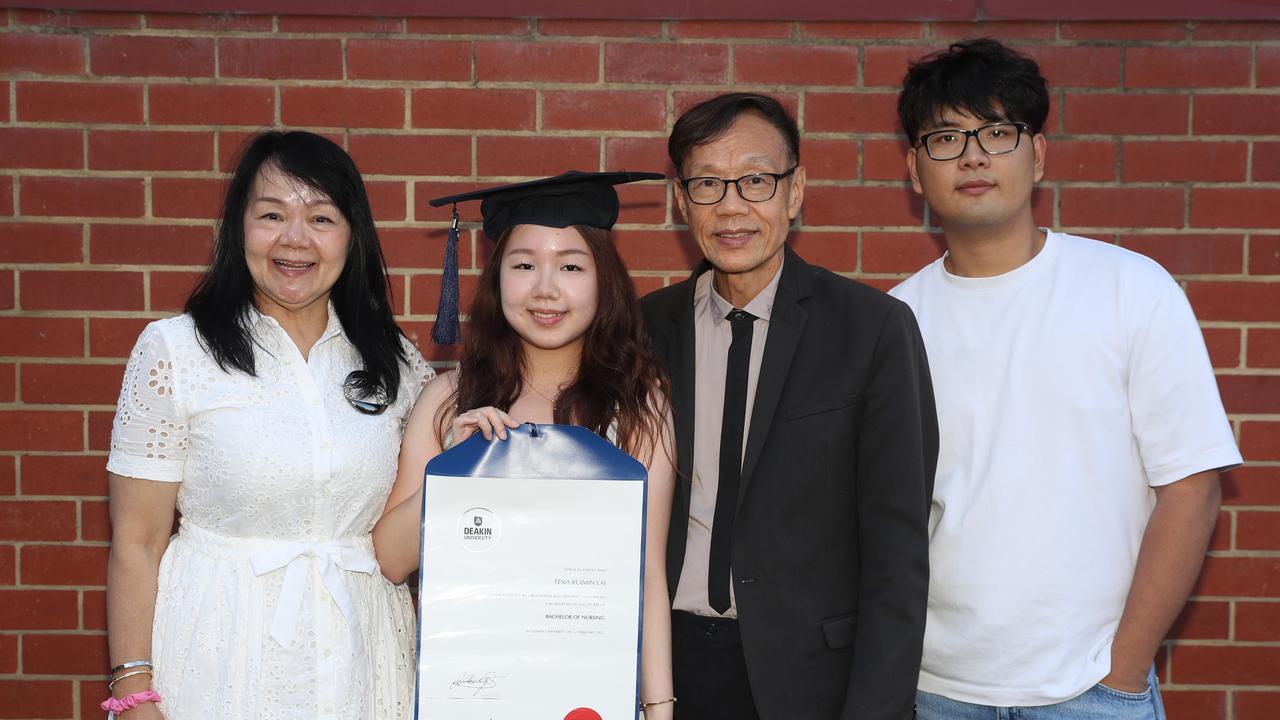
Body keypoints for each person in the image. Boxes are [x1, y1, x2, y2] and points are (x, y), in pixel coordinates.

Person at [890, 39, 1243, 719]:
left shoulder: (1130, 289)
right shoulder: (892, 322)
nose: (973, 155)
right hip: (933, 692)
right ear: (913, 168)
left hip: (1091, 693)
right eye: (945, 138)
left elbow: (1193, 489)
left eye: (997, 132)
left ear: (1038, 154)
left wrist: (1123, 671)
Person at [104, 131, 433, 719]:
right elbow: (137, 540)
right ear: (239, 229)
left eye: (322, 217)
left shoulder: (396, 363)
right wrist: (133, 693)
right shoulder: (175, 352)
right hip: (221, 651)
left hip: (363, 655)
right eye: (272, 215)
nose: (295, 239)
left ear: (352, 235)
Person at [641, 92, 938, 720]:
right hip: (670, 665)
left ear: (795, 190)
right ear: (680, 198)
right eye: (707, 184)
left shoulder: (871, 329)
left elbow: (897, 553)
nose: (731, 208)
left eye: (755, 180)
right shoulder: (644, 329)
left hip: (811, 679)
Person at [372, 170, 678, 719]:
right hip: (473, 694)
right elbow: (391, 562)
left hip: (592, 696)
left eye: (570, 265)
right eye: (523, 264)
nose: (546, 288)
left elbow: (648, 575)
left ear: (603, 280)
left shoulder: (638, 408)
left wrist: (658, 708)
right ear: (496, 279)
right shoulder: (448, 400)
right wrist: (456, 474)